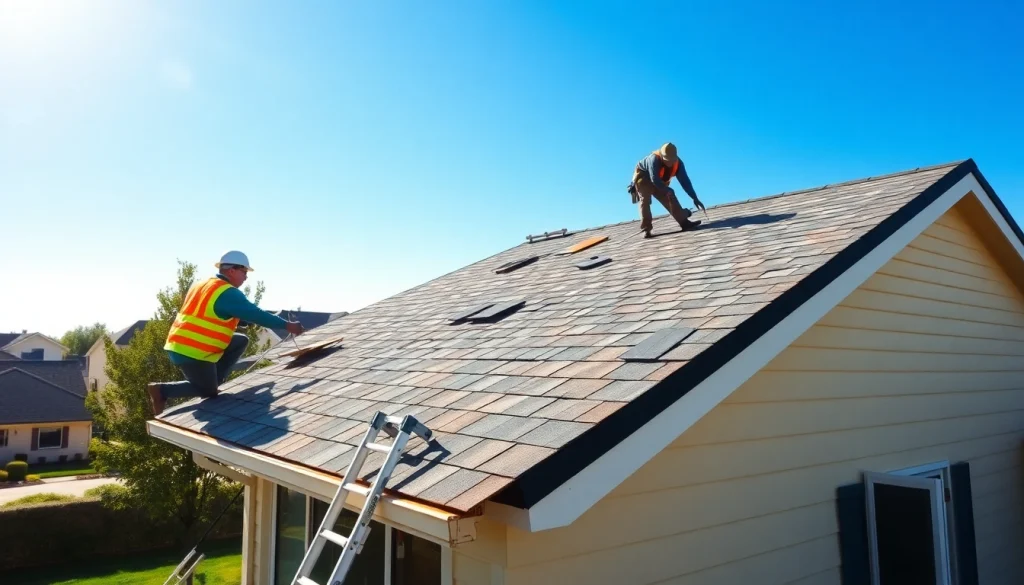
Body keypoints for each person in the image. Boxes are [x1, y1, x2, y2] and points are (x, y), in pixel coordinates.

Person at [147, 251, 304, 415]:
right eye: (244, 272)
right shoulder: (227, 292)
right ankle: (162, 390)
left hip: (181, 343)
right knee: (208, 392)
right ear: (232, 270)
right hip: (192, 350)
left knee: (240, 340)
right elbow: (257, 314)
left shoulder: (203, 284)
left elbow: (209, 313)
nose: (246, 277)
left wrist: (240, 319)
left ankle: (213, 381)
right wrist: (287, 325)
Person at [630, 142, 706, 238]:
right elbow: (654, 179)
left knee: (670, 196)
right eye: (667, 160)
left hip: (658, 181)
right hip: (644, 179)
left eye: (671, 160)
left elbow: (685, 182)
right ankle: (646, 229)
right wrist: (667, 190)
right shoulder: (653, 159)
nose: (669, 163)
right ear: (662, 156)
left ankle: (684, 222)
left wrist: (695, 198)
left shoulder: (678, 164)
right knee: (645, 201)